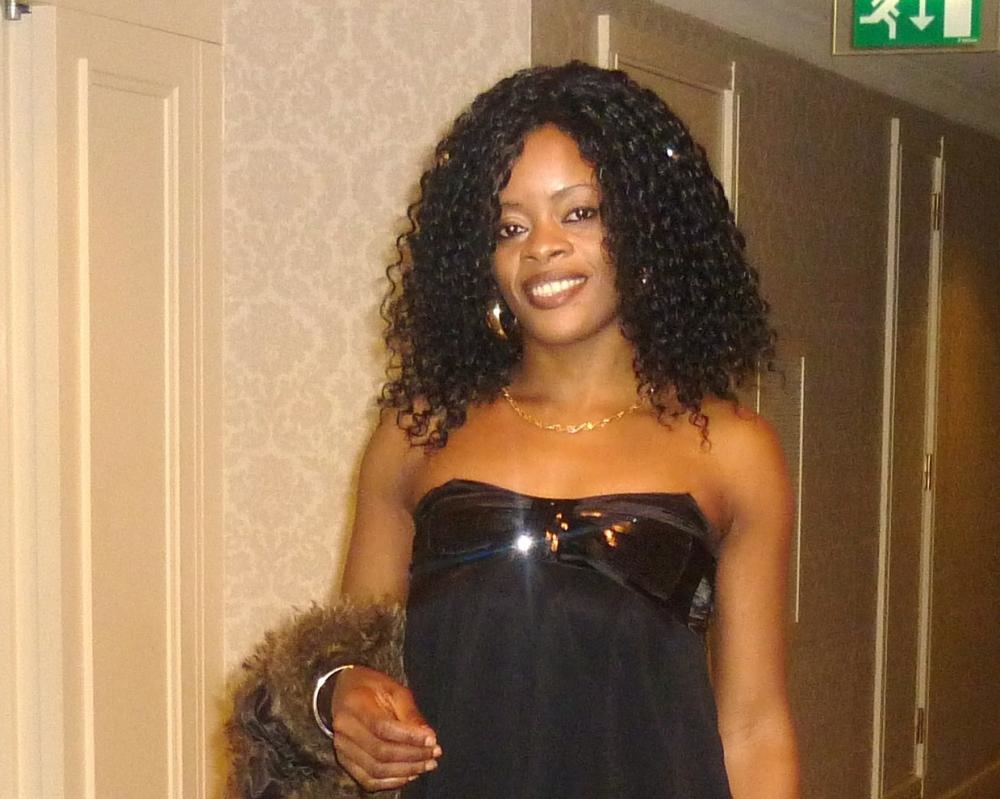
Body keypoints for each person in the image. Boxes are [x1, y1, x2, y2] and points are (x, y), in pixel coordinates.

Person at [226, 61, 799, 799]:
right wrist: (340, 694)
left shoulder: (732, 449)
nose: (542, 247)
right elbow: (353, 656)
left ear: (646, 226)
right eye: (510, 226)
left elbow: (753, 727)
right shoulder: (421, 432)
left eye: (580, 213)